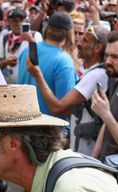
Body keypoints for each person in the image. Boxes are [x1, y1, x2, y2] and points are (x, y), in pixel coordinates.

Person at [26, 25, 108, 155]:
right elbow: (73, 112)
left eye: (85, 40)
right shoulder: (92, 72)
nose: (79, 43)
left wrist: (37, 75)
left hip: (88, 154)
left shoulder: (96, 75)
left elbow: (57, 108)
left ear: (97, 48)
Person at [18, 12, 77, 121]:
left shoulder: (26, 51)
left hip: (25, 125)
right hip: (51, 132)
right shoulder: (64, 61)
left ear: (47, 29)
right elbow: (65, 108)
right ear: (69, 34)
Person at [0, 7, 42, 84]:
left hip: (29, 84)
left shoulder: (34, 35)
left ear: (26, 21)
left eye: (20, 20)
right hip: (9, 85)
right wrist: (6, 62)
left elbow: (41, 59)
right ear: (9, 22)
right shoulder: (5, 37)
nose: (17, 24)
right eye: (14, 21)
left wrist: (31, 41)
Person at [92, 31, 118, 161]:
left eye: (115, 57)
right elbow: (107, 123)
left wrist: (105, 114)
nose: (108, 61)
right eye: (107, 55)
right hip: (104, 166)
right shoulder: (116, 80)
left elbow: (108, 117)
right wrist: (93, 158)